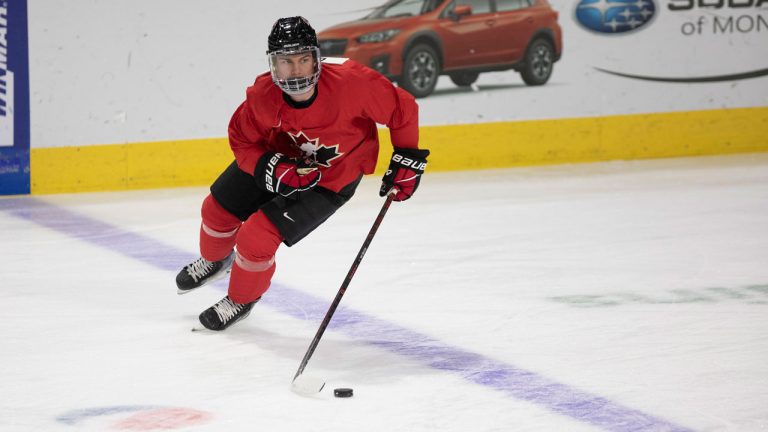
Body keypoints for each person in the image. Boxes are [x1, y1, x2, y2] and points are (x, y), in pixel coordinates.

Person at [175, 16, 430, 331]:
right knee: (214, 211)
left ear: (316, 60)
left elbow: (402, 108)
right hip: (279, 161)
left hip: (332, 179)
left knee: (257, 236)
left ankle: (240, 299)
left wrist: (407, 156)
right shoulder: (262, 95)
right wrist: (267, 166)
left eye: (303, 59)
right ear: (273, 65)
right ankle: (216, 261)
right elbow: (242, 140)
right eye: (286, 61)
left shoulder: (352, 83)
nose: (295, 70)